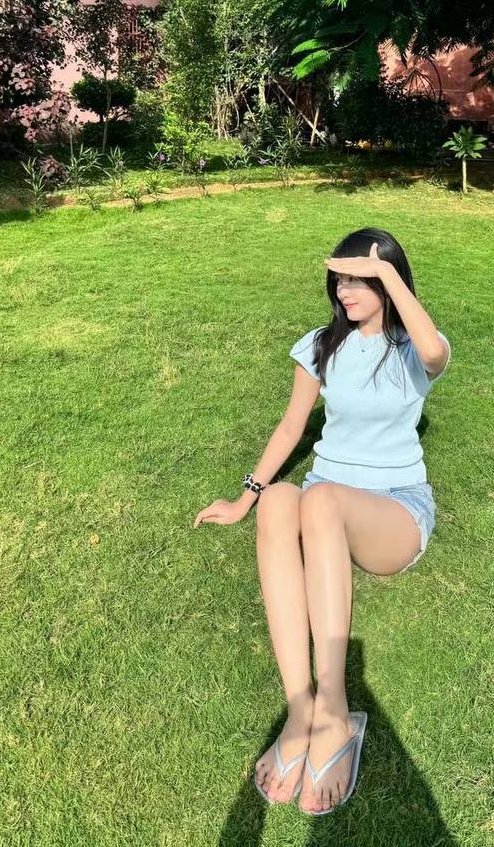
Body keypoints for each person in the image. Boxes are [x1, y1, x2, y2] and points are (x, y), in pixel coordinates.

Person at [193, 227, 451, 815]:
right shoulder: (321, 345)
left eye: (361, 280)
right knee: (283, 500)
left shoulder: (414, 347)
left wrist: (386, 275)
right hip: (323, 501)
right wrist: (246, 497)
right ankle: (301, 707)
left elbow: (434, 353)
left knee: (323, 500)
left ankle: (336, 713)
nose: (346, 291)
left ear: (390, 281)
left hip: (392, 506)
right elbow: (292, 426)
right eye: (340, 280)